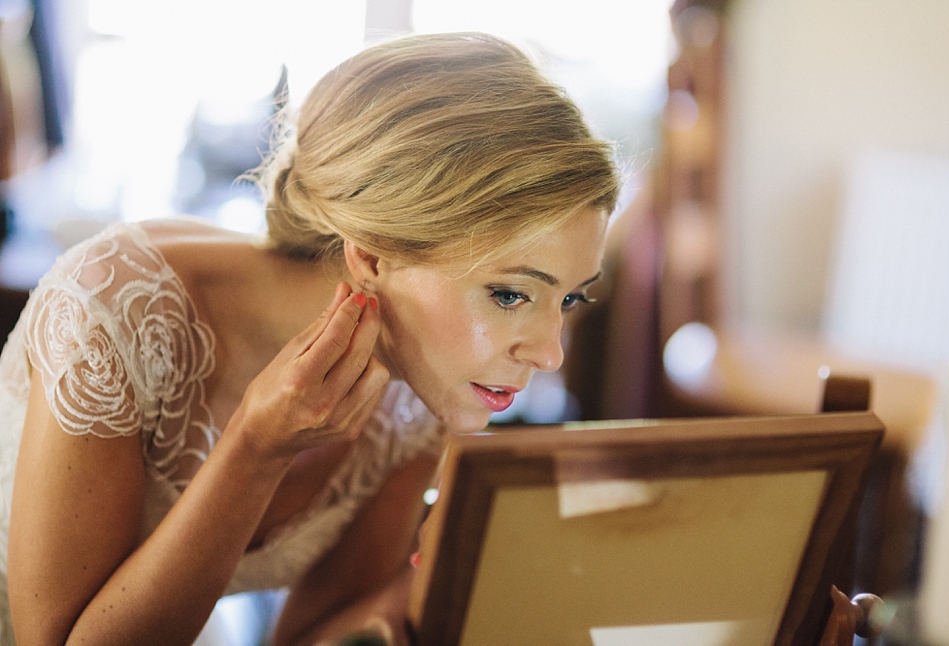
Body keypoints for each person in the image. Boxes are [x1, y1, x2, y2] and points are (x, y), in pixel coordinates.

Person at [0, 31, 619, 645]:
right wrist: (256, 448)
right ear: (372, 259)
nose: (549, 352)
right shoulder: (112, 312)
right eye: (509, 294)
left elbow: (313, 637)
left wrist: (445, 582)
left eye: (568, 298)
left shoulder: (422, 382)